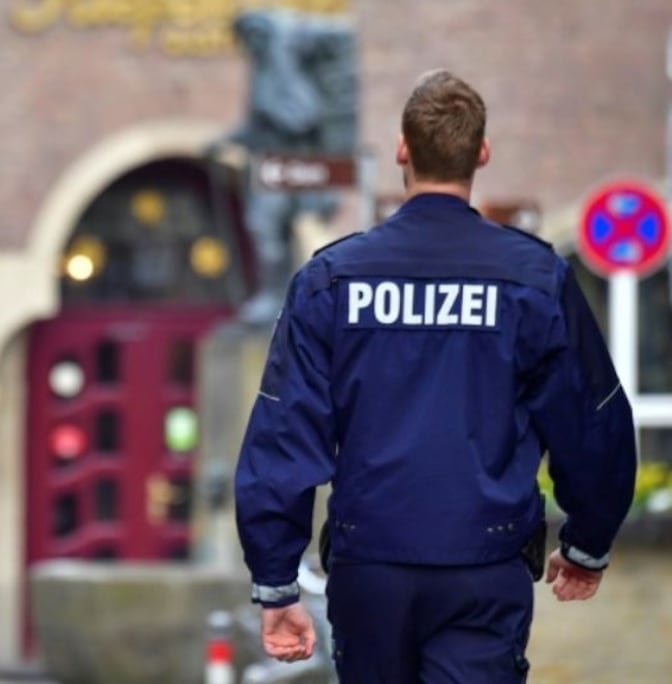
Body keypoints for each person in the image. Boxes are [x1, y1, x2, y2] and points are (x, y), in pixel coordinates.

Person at [233, 69, 637, 683]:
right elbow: (592, 419)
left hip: (371, 566)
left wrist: (275, 580)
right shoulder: (533, 279)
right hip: (486, 563)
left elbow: (285, 430)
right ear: (481, 153)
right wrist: (588, 544)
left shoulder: (332, 280)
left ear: (402, 148)